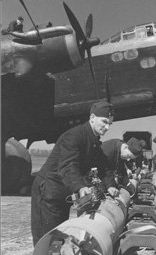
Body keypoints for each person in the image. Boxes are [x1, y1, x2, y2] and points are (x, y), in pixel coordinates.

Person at [31, 101, 119, 246]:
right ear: (92, 117)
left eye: (110, 124)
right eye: (104, 122)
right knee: (46, 238)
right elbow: (67, 165)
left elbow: (104, 166)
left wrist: (110, 185)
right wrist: (80, 186)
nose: (107, 127)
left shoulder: (93, 141)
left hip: (61, 192)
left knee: (59, 237)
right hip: (47, 191)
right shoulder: (75, 136)